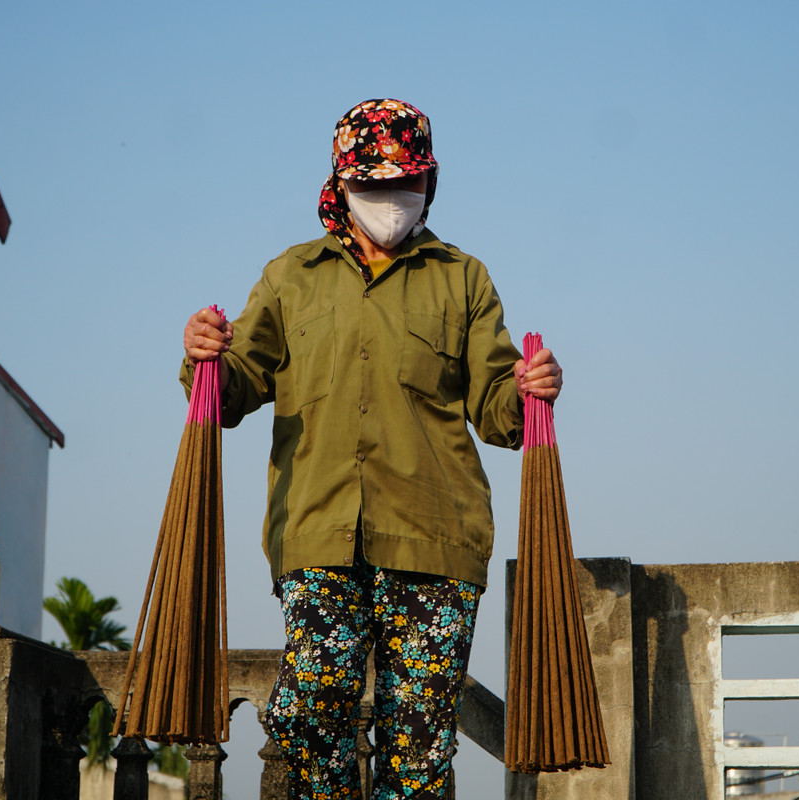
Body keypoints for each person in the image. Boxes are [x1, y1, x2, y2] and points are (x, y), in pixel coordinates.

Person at [181, 98, 561, 800]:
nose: (390, 199)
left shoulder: (462, 278)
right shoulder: (290, 277)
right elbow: (233, 389)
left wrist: (530, 388)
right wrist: (205, 356)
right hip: (317, 531)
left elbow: (498, 413)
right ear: (342, 185)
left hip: (435, 538)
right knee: (308, 715)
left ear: (428, 186)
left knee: (418, 748)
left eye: (404, 184)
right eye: (373, 184)